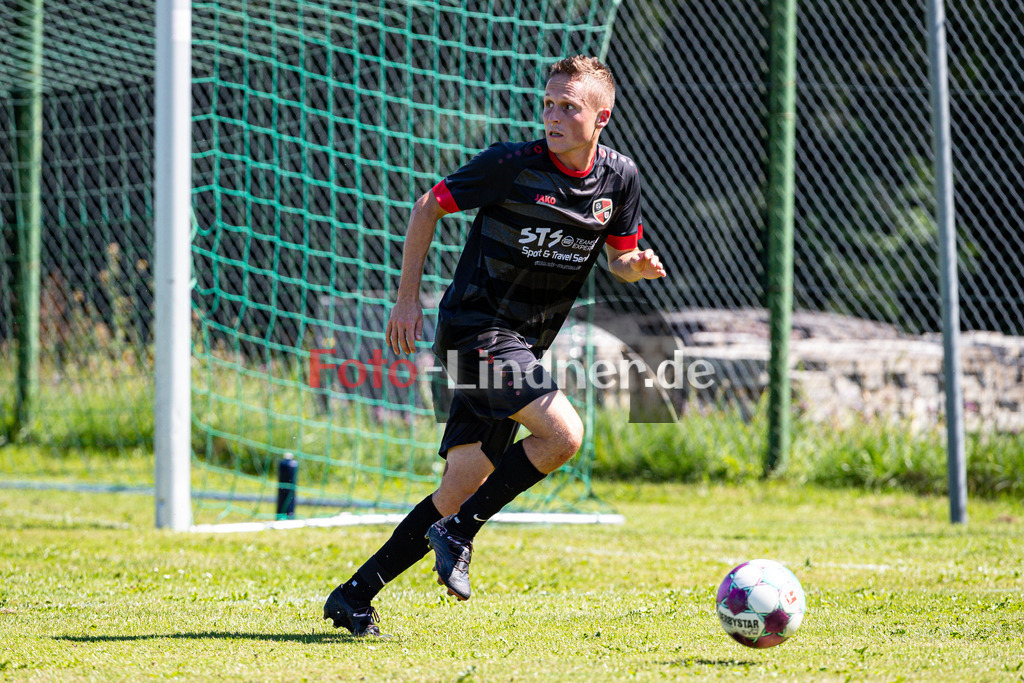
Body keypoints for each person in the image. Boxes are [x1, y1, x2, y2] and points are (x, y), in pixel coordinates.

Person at [324, 55, 666, 637]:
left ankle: (353, 596)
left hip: (520, 345)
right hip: (473, 331)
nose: (553, 116)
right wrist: (407, 300)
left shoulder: (620, 179)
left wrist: (636, 265)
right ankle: (460, 533)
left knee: (461, 484)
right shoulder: (511, 164)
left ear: (601, 117)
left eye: (569, 107)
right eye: (549, 104)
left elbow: (619, 257)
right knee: (564, 434)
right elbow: (429, 204)